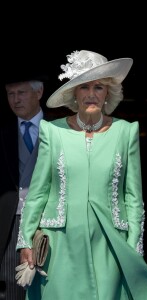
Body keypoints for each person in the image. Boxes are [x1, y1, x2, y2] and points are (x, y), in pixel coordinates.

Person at [16, 50, 147, 300]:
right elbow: (37, 192)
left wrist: (133, 244)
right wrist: (25, 241)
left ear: (108, 93)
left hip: (110, 243)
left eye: (98, 87)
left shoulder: (126, 131)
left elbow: (133, 196)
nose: (91, 94)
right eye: (84, 87)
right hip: (60, 242)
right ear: (74, 93)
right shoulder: (52, 131)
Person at [0, 69, 47, 300]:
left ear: (39, 92)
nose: (15, 99)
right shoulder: (1, 134)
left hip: (49, 221)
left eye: (21, 92)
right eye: (10, 94)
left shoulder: (60, 130)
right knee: (10, 288)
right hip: (10, 222)